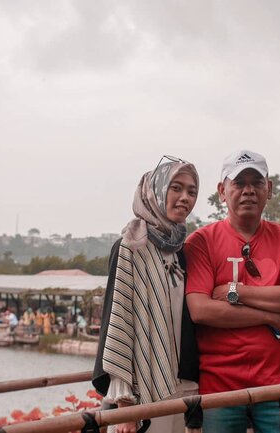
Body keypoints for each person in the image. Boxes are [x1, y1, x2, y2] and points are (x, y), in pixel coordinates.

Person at [185, 149, 280, 433]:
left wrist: (234, 291)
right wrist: (271, 318)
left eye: (256, 183)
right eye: (238, 183)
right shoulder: (201, 242)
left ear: (269, 189)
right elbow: (201, 310)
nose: (248, 191)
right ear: (222, 190)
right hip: (220, 387)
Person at [93, 155, 200, 433]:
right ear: (155, 191)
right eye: (176, 188)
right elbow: (118, 326)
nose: (184, 198)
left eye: (191, 191)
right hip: (142, 395)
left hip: (185, 387)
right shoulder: (130, 247)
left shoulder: (182, 251)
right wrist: (126, 410)